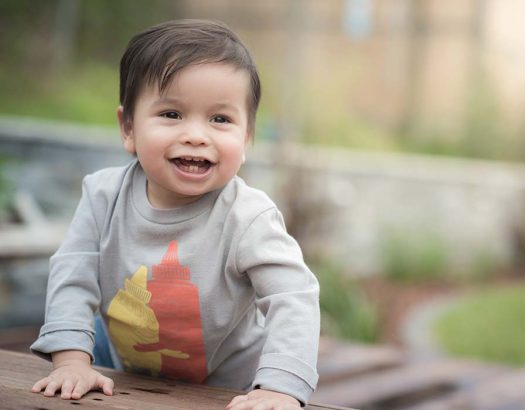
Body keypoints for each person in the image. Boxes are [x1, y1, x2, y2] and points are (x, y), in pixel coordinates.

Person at [30, 19, 320, 409]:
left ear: (246, 138)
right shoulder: (103, 196)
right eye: (171, 114)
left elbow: (293, 296)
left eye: (220, 119)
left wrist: (279, 387)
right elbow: (73, 276)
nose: (196, 135)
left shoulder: (248, 217)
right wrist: (71, 362)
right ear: (128, 128)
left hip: (231, 390)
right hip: (128, 373)